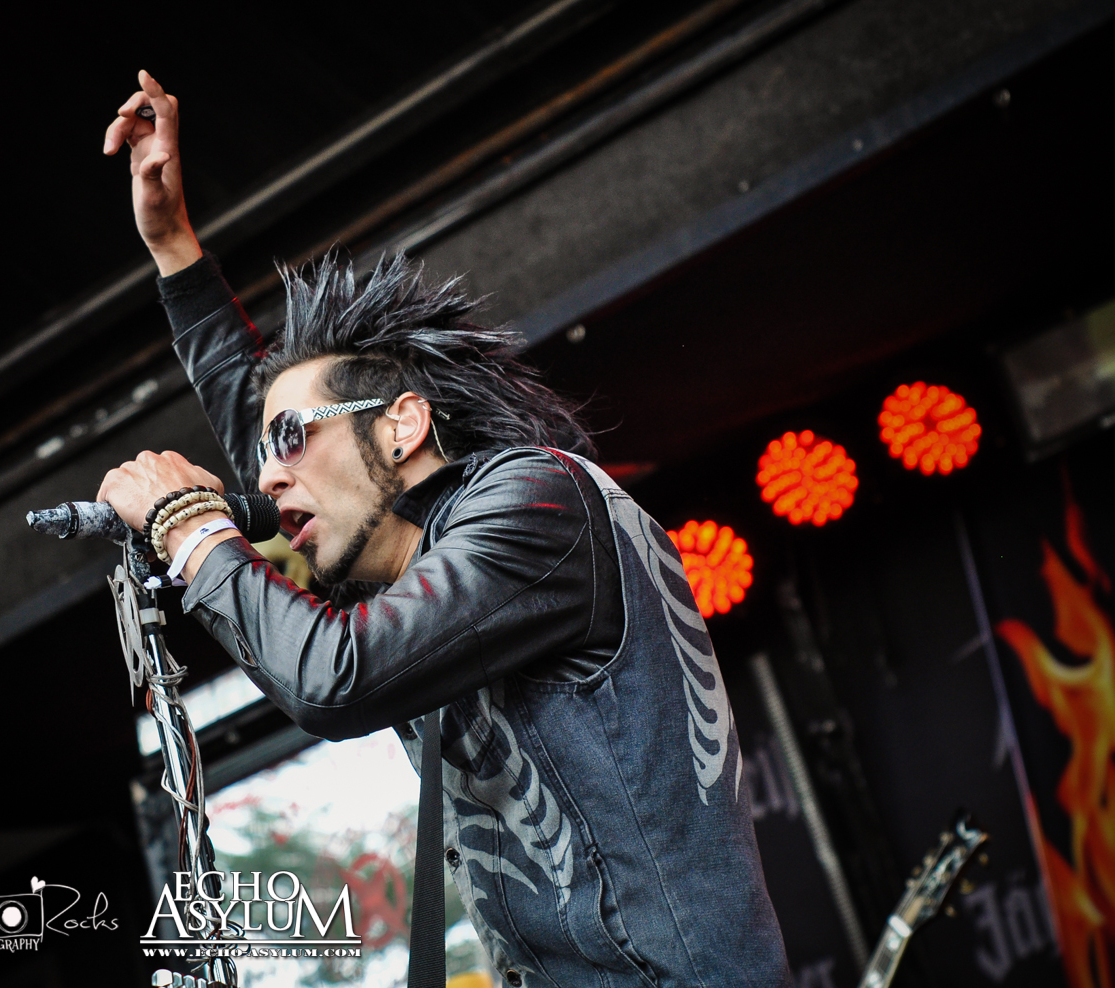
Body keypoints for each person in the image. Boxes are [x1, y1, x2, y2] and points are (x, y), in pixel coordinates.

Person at [98, 70, 791, 988]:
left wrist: (190, 527)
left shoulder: (538, 503)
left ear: (403, 425)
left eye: (291, 440)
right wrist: (174, 249)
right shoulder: (409, 567)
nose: (265, 479)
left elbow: (337, 680)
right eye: (264, 456)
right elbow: (280, 444)